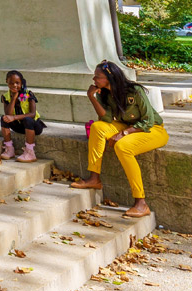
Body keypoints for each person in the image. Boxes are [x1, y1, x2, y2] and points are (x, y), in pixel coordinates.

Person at [71, 60, 167, 218]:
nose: (94, 80)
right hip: (126, 125)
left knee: (123, 147)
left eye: (97, 77)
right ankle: (94, 178)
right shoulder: (106, 93)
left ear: (110, 77)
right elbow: (107, 118)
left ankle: (141, 203)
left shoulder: (134, 91)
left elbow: (148, 121)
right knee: (97, 127)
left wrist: (124, 133)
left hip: (152, 129)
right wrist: (92, 97)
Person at [0, 70, 44, 162]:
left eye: (17, 83)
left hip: (34, 126)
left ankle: (30, 152)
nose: (15, 85)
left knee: (27, 119)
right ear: (6, 82)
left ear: (22, 83)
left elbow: (32, 114)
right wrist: (14, 97)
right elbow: (8, 114)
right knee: (3, 118)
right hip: (20, 127)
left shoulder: (28, 94)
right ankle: (9, 149)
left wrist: (14, 117)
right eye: (11, 83)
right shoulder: (5, 96)